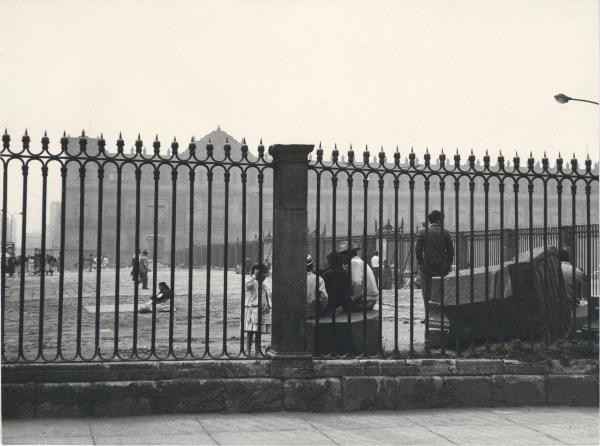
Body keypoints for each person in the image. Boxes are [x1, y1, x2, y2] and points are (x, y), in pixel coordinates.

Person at [415, 210, 454, 304]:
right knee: (441, 291)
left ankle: (428, 313)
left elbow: (418, 250)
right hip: (442, 267)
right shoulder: (446, 233)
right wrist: (448, 265)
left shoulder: (422, 233)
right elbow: (451, 252)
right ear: (439, 220)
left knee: (427, 291)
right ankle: (440, 313)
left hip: (427, 267)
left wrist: (421, 263)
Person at [244, 263, 271, 356]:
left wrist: (268, 306)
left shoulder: (264, 285)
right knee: (250, 332)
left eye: (265, 273)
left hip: (261, 312)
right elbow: (246, 285)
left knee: (258, 333)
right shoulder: (252, 282)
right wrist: (254, 275)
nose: (264, 275)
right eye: (262, 273)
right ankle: (247, 351)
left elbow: (267, 297)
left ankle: (257, 351)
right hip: (252, 311)